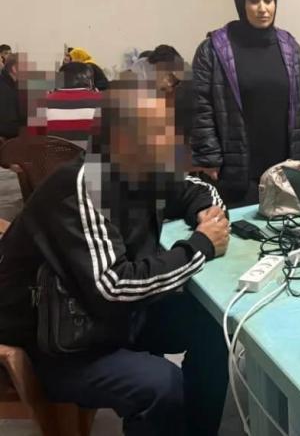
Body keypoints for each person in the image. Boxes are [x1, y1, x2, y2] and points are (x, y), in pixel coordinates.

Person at [0, 80, 230, 436]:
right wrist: (199, 246)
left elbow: (194, 189)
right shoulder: (80, 187)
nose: (172, 139)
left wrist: (206, 214)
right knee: (160, 385)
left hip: (111, 319)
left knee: (214, 328)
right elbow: (113, 286)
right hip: (61, 344)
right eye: (159, 131)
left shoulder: (143, 170)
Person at [192, 0, 300, 206]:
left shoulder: (289, 46)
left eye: (268, 0)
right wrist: (209, 157)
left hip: (286, 165)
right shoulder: (213, 49)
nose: (263, 8)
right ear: (240, 4)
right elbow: (201, 107)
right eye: (253, 1)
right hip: (239, 168)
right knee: (243, 224)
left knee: (289, 223)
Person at [34, 62, 102, 149]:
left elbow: (35, 141)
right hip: (92, 156)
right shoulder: (103, 101)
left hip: (54, 155)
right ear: (89, 81)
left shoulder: (42, 103)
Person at [0, 53, 23, 139]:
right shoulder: (5, 89)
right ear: (14, 68)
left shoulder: (12, 84)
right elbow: (8, 124)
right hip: (8, 139)